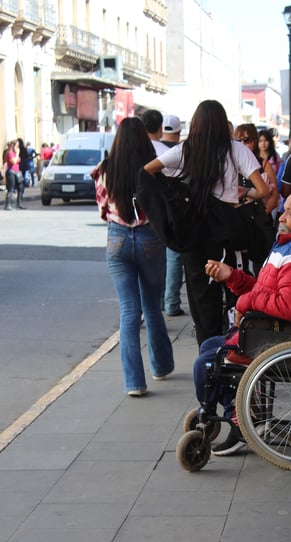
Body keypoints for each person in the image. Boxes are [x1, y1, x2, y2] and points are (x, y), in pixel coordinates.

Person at [193, 183, 291, 455]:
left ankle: (238, 419)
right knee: (209, 345)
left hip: (281, 335)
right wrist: (232, 277)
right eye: (283, 211)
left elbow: (289, 307)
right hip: (269, 329)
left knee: (205, 364)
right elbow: (265, 290)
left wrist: (245, 302)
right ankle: (237, 409)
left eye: (289, 213)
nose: (281, 217)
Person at [144, 99, 270, 346]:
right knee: (237, 295)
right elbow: (264, 190)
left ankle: (209, 359)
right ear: (223, 124)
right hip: (229, 234)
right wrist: (245, 195)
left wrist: (173, 195)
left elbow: (148, 170)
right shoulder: (236, 150)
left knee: (203, 303)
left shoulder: (185, 150)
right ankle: (237, 353)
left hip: (196, 235)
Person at [92, 117, 174, 397]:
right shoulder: (152, 169)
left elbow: (103, 209)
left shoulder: (105, 169)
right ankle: (161, 367)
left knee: (129, 311)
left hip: (117, 239)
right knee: (152, 306)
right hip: (149, 237)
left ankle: (134, 384)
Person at [234, 123, 277, 270]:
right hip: (238, 220)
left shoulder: (263, 164)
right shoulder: (231, 164)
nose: (242, 144)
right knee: (240, 267)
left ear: (254, 141)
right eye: (238, 140)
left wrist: (264, 212)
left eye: (246, 140)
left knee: (263, 265)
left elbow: (275, 194)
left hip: (260, 219)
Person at [160, 114, 185, 316]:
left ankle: (160, 301)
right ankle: (171, 303)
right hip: (175, 210)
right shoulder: (181, 152)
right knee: (174, 256)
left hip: (153, 210)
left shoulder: (152, 150)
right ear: (178, 133)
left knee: (156, 258)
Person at [3, 140, 25, 210]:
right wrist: (18, 153)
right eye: (17, 146)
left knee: (20, 188)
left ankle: (19, 204)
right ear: (13, 146)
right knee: (11, 188)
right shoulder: (10, 153)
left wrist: (17, 153)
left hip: (17, 172)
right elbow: (14, 161)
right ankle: (7, 205)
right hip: (11, 172)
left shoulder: (15, 153)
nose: (18, 147)